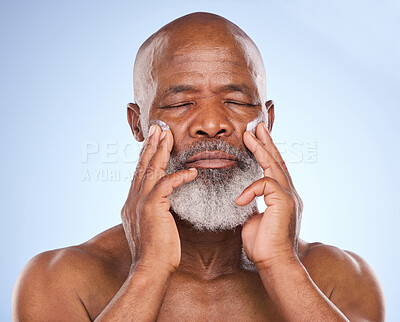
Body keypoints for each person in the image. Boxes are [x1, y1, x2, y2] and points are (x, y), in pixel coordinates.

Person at [12, 12, 385, 321]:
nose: (211, 123)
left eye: (237, 101)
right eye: (179, 104)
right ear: (137, 124)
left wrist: (282, 268)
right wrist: (148, 271)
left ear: (267, 121)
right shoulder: (59, 280)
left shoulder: (339, 277)